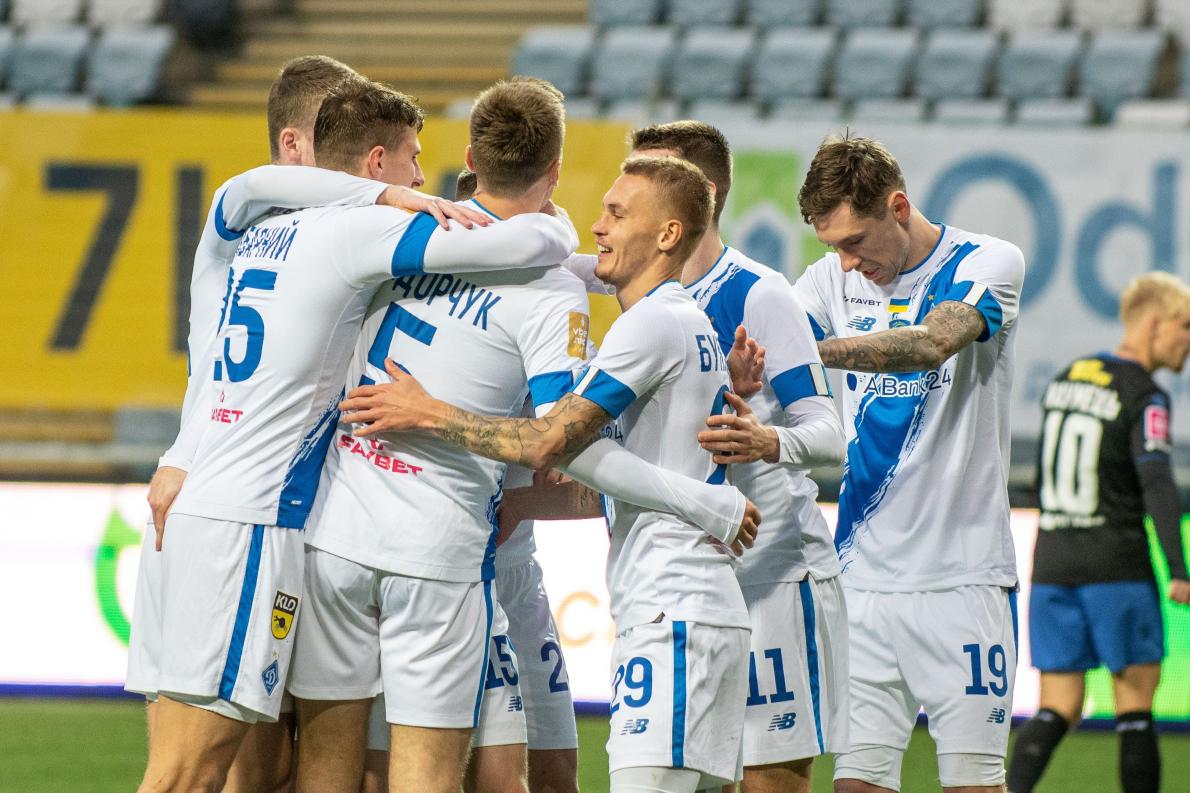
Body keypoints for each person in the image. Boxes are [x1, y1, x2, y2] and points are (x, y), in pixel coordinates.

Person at [136, 79, 581, 793]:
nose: (420, 181)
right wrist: (566, 235)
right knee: (196, 771)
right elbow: (523, 241)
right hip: (275, 527)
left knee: (269, 766)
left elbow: (245, 187)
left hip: (269, 518)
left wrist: (180, 452)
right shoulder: (365, 238)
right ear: (377, 162)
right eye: (412, 160)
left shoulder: (253, 225)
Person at [340, 155, 759, 793]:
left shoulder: (649, 324)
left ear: (668, 235)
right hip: (692, 605)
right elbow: (589, 460)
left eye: (617, 214)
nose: (597, 227)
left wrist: (429, 411)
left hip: (674, 609)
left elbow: (550, 442)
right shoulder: (683, 318)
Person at [791, 133, 1025, 793]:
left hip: (964, 582)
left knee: (973, 783)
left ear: (897, 207)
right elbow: (773, 360)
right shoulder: (827, 280)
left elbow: (931, 344)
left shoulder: (988, 262)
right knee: (856, 783)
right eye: (831, 246)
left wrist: (811, 352)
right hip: (860, 582)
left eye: (854, 242)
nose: (845, 262)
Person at [627, 121, 849, 793]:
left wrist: (766, 439)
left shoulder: (758, 292)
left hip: (772, 578)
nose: (627, 195)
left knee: (767, 780)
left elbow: (827, 430)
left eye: (646, 179)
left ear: (700, 194)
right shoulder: (642, 300)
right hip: (690, 585)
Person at [1006, 272, 1190, 793]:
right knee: (1135, 708)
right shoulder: (1145, 395)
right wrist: (1178, 568)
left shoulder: (1068, 378)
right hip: (1117, 567)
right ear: (1153, 324)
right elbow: (1156, 482)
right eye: (1184, 326)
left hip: (1053, 565)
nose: (1188, 339)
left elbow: (1043, 478)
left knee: (1058, 705)